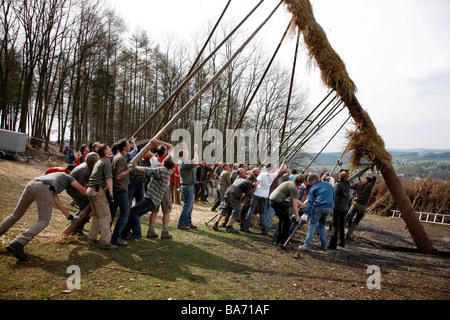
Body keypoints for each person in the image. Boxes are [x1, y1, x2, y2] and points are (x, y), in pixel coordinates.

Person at [0, 172, 87, 261]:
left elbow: (58, 204)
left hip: (32, 184)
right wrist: (96, 196)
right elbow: (83, 190)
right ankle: (19, 242)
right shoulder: (69, 178)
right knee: (43, 221)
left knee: (16, 214)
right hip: (44, 188)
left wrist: (69, 216)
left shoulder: (56, 179)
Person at [124, 155, 175, 239]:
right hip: (152, 199)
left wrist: (135, 167)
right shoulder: (166, 171)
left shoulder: (163, 170)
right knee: (135, 212)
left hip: (152, 200)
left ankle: (136, 233)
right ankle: (125, 232)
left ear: (164, 162)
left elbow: (148, 170)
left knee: (133, 212)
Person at [86, 143, 117, 250]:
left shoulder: (99, 161)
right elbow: (109, 179)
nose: (110, 149)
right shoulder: (107, 162)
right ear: (105, 152)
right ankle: (105, 242)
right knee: (105, 216)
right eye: (108, 148)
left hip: (90, 190)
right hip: (97, 190)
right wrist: (111, 194)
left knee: (97, 215)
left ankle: (92, 238)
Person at [243, 162, 285, 234]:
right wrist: (283, 163)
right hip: (265, 195)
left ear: (265, 167)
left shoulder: (262, 174)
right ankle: (263, 229)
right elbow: (280, 170)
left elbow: (256, 184)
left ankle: (246, 226)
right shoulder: (272, 175)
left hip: (257, 194)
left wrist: (252, 187)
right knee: (262, 212)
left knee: (251, 210)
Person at [66, 152, 100, 235]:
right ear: (94, 161)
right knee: (86, 206)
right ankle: (74, 226)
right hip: (73, 189)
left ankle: (75, 226)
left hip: (76, 188)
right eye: (98, 159)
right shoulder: (84, 170)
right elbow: (80, 187)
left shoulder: (87, 167)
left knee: (86, 207)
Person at [146, 138, 174, 239]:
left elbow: (150, 154)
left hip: (154, 187)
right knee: (166, 210)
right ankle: (165, 231)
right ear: (165, 152)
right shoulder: (169, 159)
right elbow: (171, 146)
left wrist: (152, 145)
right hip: (164, 187)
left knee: (154, 210)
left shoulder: (153, 160)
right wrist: (159, 142)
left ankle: (150, 230)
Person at [212, 168, 255, 233]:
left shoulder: (239, 179)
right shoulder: (248, 184)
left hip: (227, 193)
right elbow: (244, 194)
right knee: (238, 210)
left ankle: (216, 223)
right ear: (252, 181)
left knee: (224, 208)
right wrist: (237, 202)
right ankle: (229, 227)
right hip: (235, 195)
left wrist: (231, 202)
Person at [300, 174, 335, 251]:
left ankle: (307, 245)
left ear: (314, 180)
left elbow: (310, 202)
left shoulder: (313, 188)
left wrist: (306, 213)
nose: (310, 184)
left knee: (312, 225)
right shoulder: (329, 185)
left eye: (310, 182)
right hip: (328, 207)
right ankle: (324, 245)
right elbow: (334, 195)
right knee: (322, 225)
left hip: (319, 207)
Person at [269, 175, 306, 246]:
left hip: (272, 199)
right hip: (277, 202)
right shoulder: (294, 188)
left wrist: (303, 205)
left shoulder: (289, 183)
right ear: (301, 183)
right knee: (286, 222)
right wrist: (298, 218)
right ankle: (282, 242)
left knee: (282, 220)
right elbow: (295, 206)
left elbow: (295, 199)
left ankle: (278, 240)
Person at [109, 138, 133, 247]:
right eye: (128, 144)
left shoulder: (119, 157)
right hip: (120, 189)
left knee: (112, 213)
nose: (130, 146)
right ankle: (116, 237)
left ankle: (106, 235)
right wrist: (129, 170)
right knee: (125, 213)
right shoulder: (121, 159)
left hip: (116, 189)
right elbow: (118, 176)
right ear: (124, 147)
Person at [345, 166, 377, 241]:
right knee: (356, 222)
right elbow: (374, 177)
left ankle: (338, 231)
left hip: (355, 204)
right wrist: (372, 169)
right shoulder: (370, 186)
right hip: (363, 206)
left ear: (364, 180)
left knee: (347, 218)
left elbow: (348, 185)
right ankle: (349, 235)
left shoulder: (358, 185)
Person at [177, 142, 199, 230]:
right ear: (183, 155)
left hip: (189, 186)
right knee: (187, 206)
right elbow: (196, 163)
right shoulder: (184, 162)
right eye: (186, 151)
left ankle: (188, 222)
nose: (187, 152)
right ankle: (181, 224)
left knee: (190, 206)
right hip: (187, 186)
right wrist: (196, 151)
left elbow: (192, 160)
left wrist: (185, 148)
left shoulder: (184, 161)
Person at [328, 169, 351, 249]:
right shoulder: (347, 183)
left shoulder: (338, 185)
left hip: (337, 207)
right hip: (345, 207)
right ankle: (342, 242)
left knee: (335, 225)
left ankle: (333, 244)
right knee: (342, 225)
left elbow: (334, 195)